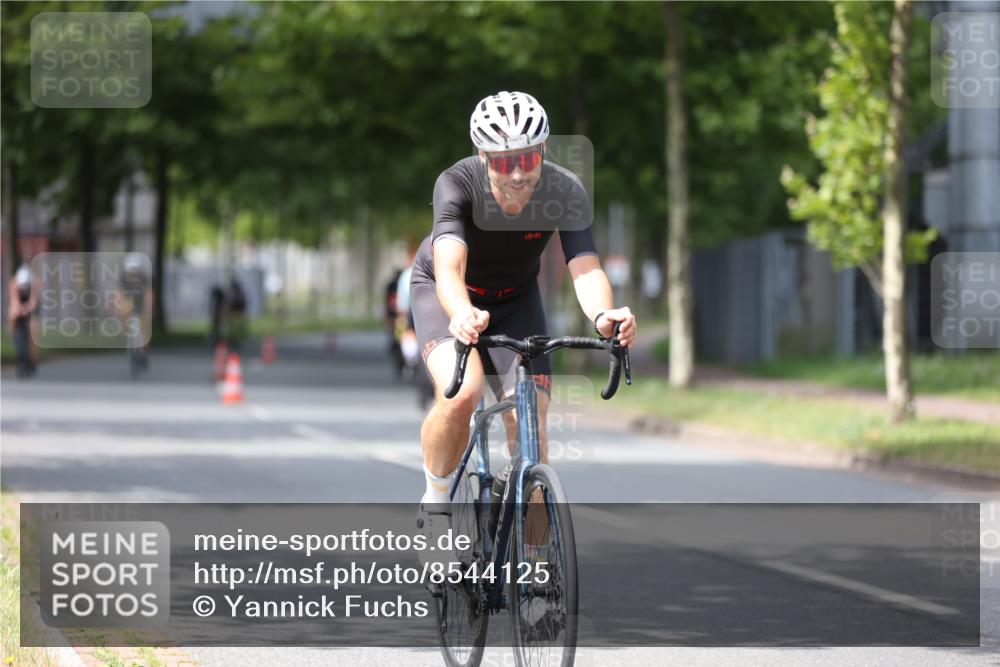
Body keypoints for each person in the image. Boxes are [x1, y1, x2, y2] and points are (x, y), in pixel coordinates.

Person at [410, 91, 637, 542]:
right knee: (463, 393)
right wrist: (459, 314)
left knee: (531, 423)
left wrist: (604, 315)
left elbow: (586, 267)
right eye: (502, 161)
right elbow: (450, 268)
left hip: (516, 299)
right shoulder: (456, 184)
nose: (517, 172)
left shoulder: (563, 189)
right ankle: (435, 503)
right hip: (447, 294)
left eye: (528, 158)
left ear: (544, 151)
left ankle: (536, 576)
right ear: (483, 156)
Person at [118, 253, 153, 366]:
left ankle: (144, 352)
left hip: (141, 304)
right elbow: (119, 293)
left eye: (135, 270)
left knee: (144, 330)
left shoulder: (144, 279)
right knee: (125, 315)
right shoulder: (124, 278)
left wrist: (149, 307)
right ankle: (129, 337)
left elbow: (149, 294)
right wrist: (119, 306)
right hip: (129, 302)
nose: (133, 273)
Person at [8, 264, 38, 377]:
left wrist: (28, 308)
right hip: (19, 305)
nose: (23, 289)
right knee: (12, 314)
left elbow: (33, 301)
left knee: (33, 329)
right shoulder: (13, 284)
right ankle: (13, 336)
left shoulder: (34, 284)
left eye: (25, 287)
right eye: (22, 287)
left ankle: (33, 357)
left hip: (30, 306)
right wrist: (18, 309)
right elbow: (14, 300)